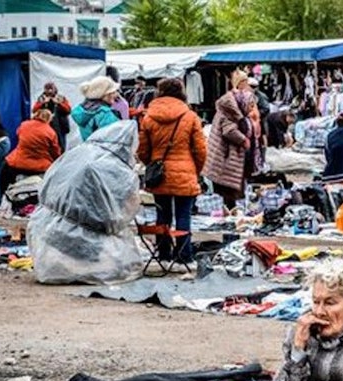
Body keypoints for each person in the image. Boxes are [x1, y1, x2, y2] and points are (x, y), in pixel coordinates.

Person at [136, 78, 207, 267]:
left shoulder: (148, 117)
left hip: (160, 175)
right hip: (185, 172)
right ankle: (184, 256)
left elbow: (142, 150)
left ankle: (164, 254)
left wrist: (152, 164)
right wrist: (195, 169)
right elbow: (201, 150)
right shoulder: (190, 116)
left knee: (162, 216)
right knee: (184, 216)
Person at [203, 70, 252, 209]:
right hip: (226, 156)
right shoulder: (230, 107)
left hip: (225, 155)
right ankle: (231, 213)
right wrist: (244, 140)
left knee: (228, 189)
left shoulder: (230, 105)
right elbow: (229, 130)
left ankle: (231, 211)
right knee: (229, 188)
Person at [2, 109, 61, 192]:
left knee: (4, 178)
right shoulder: (50, 132)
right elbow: (56, 153)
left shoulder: (24, 125)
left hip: (18, 163)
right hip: (40, 167)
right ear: (49, 119)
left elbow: (18, 134)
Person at [72, 76, 121, 141]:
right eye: (113, 92)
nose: (116, 95)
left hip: (89, 149)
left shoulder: (83, 110)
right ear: (105, 94)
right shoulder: (105, 114)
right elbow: (114, 139)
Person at [32, 81, 71, 152]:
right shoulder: (42, 98)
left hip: (60, 127)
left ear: (55, 89)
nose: (49, 91)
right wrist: (43, 103)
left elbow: (68, 110)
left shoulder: (60, 97)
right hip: (45, 127)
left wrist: (59, 103)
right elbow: (34, 110)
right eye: (47, 89)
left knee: (61, 146)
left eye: (51, 89)